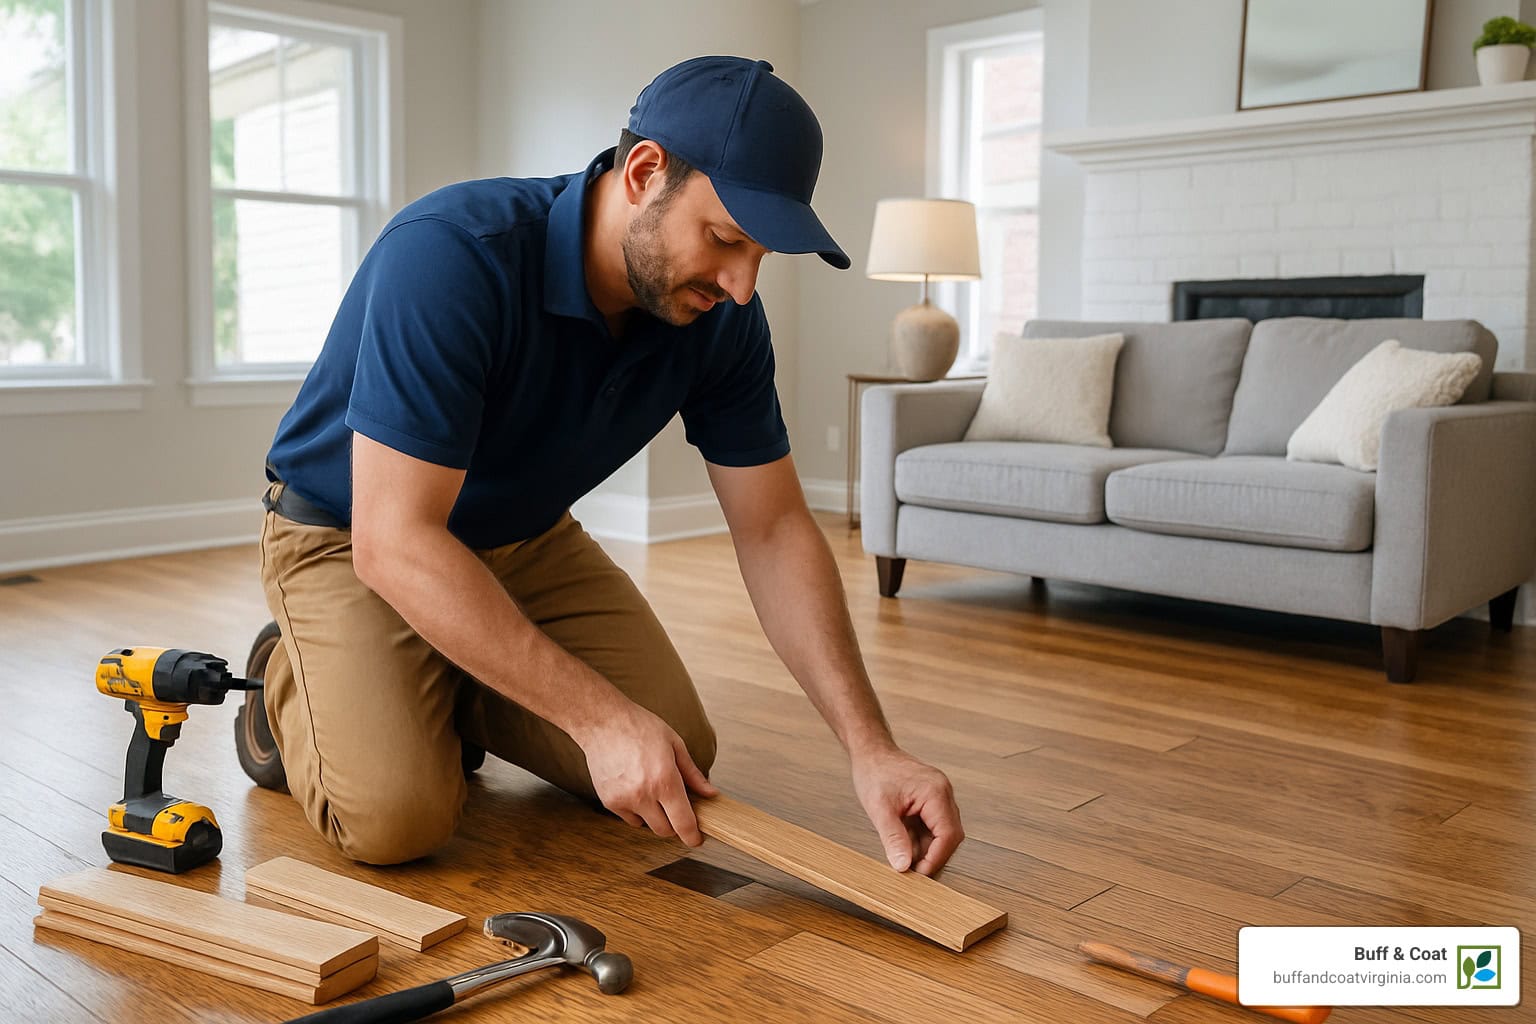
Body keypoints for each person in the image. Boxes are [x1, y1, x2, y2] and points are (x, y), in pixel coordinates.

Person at [254, 55, 965, 875]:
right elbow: (395, 541)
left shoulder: (722, 319)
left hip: (522, 541)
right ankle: (289, 675)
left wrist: (871, 748)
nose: (740, 285)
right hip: (352, 539)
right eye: (726, 239)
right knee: (396, 820)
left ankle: (440, 680)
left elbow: (771, 530)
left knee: (676, 759)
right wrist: (595, 720)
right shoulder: (451, 255)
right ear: (644, 170)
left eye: (761, 256)